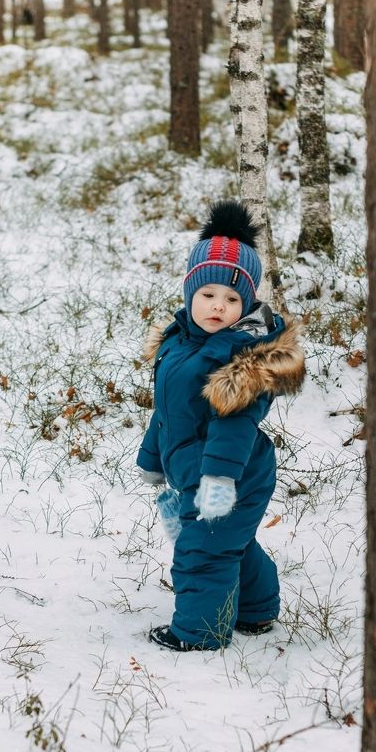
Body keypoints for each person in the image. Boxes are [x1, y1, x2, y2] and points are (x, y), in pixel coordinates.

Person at [136, 200, 305, 651]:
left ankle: (199, 633)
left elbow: (234, 425)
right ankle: (256, 609)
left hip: (234, 473)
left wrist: (220, 478)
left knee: (202, 551)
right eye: (208, 295)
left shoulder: (240, 358)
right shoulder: (178, 344)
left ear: (246, 303)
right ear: (190, 292)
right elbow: (168, 412)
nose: (217, 307)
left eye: (232, 300)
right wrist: (152, 459)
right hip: (193, 471)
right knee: (231, 541)